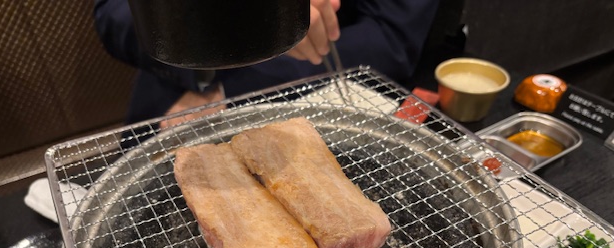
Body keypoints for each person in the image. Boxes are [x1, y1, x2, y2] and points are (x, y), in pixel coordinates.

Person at [93, 0, 440, 125]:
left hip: (319, 87)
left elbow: (389, 39)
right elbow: (113, 13)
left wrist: (232, 88)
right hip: (176, 91)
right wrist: (232, 21)